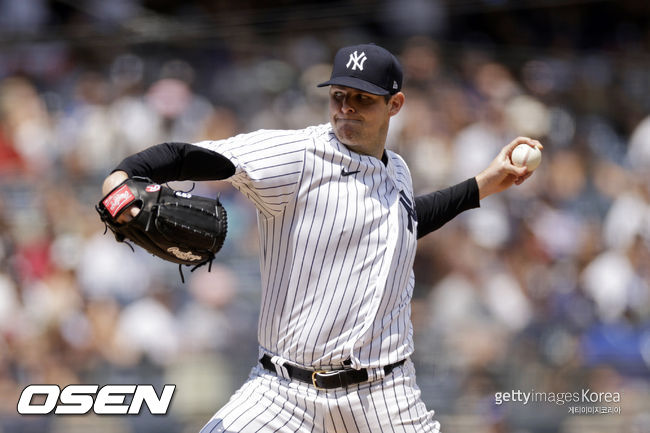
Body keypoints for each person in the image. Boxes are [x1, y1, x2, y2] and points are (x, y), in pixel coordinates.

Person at [102, 43, 540, 433]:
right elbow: (193, 155)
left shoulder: (398, 171)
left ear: (395, 104)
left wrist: (482, 184)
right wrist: (122, 177)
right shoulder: (297, 157)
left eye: (362, 99)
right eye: (338, 96)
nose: (346, 108)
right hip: (283, 394)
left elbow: (404, 223)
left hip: (384, 396)